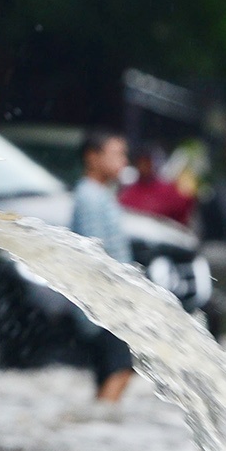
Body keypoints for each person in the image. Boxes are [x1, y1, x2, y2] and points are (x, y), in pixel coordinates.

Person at [70, 129, 137, 402]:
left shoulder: (98, 193)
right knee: (120, 370)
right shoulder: (89, 196)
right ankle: (102, 423)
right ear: (92, 158)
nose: (123, 161)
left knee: (110, 372)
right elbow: (94, 254)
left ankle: (100, 427)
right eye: (116, 154)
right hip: (104, 306)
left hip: (105, 304)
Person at [119, 145, 197, 227]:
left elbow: (184, 207)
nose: (144, 166)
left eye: (147, 162)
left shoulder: (168, 190)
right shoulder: (129, 192)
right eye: (141, 162)